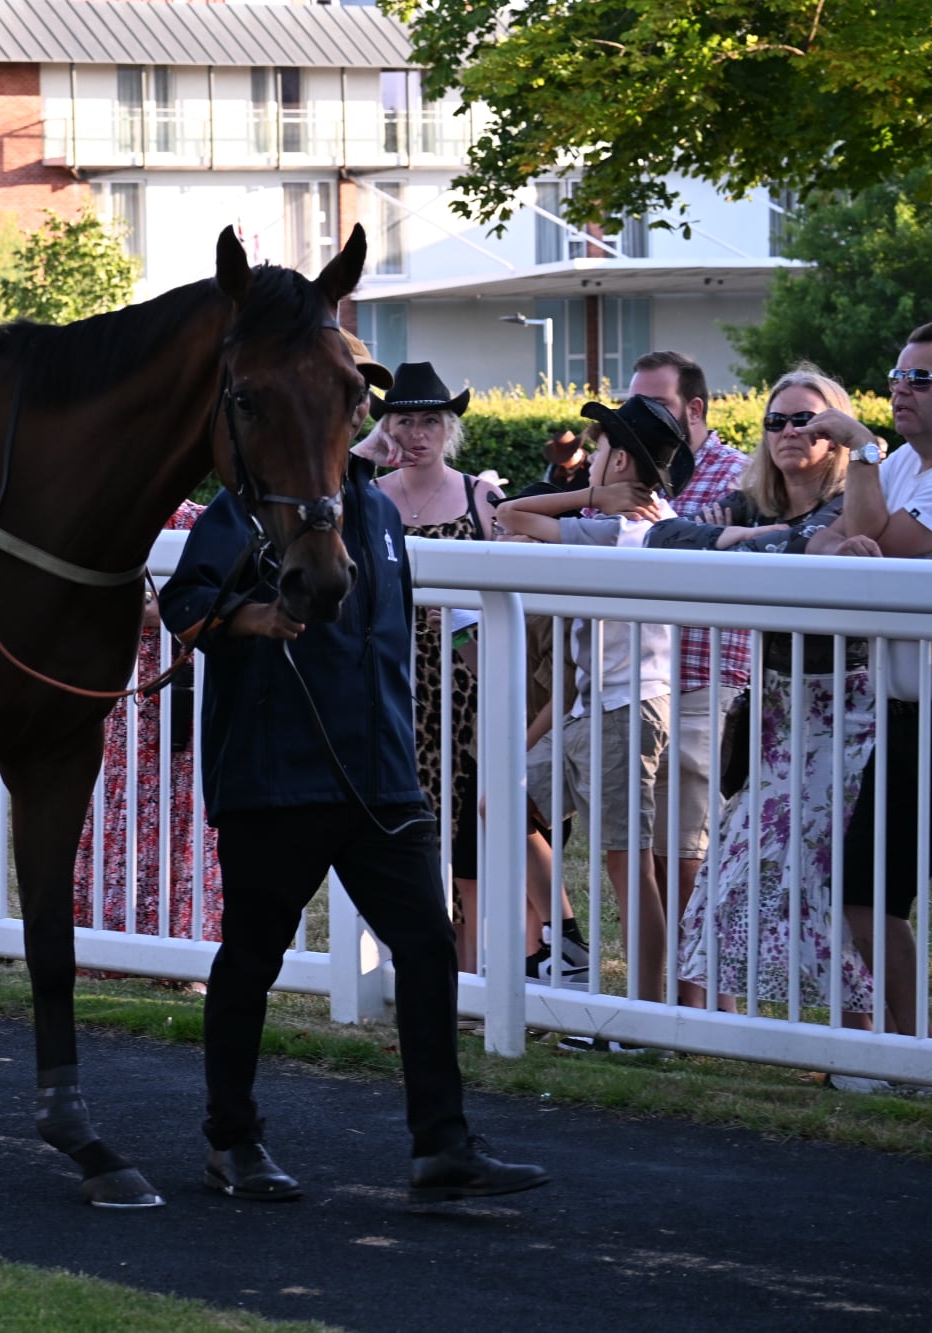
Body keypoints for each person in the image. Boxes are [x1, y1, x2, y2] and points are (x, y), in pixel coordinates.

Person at [159, 336, 546, 1204]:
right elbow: (180, 603)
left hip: (380, 779)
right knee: (252, 957)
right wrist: (253, 619)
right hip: (277, 776)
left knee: (428, 945)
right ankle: (232, 1140)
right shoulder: (252, 504)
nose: (357, 412)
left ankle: (441, 1147)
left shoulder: (378, 513)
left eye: (358, 399)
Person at [648, 368, 884, 1025]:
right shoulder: (751, 505)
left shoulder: (855, 494)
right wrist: (761, 542)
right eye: (775, 422)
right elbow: (666, 536)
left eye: (806, 420)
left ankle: (866, 1036)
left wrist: (865, 444)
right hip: (774, 713)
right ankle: (724, 1030)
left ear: (835, 431)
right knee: (731, 881)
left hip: (848, 711)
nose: (788, 432)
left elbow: (862, 534)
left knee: (823, 885)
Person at [496, 395, 696, 1003]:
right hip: (589, 709)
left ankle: (643, 1012)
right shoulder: (636, 516)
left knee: (627, 865)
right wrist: (591, 496)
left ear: (620, 463)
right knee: (501, 804)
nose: (592, 457)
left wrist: (587, 499)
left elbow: (511, 514)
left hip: (624, 710)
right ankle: (569, 938)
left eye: (602, 447)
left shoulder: (622, 524)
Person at [808, 323, 932, 1035]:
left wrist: (861, 446)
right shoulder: (902, 467)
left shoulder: (887, 460)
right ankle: (911, 1049)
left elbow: (887, 543)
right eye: (898, 374)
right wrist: (851, 526)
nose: (900, 389)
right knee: (865, 893)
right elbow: (839, 538)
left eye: (920, 379)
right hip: (904, 712)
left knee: (873, 892)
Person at [361, 361, 500, 972]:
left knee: (466, 835)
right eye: (403, 420)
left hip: (466, 687)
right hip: (386, 683)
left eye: (429, 422)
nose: (416, 434)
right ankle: (398, 963)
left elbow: (512, 600)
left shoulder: (482, 497)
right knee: (394, 827)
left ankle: (466, 973)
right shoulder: (366, 497)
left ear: (449, 429)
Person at [626, 351, 752, 916]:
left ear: (694, 408)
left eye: (655, 405)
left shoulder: (741, 476)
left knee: (687, 855)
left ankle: (706, 1000)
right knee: (647, 851)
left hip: (707, 683)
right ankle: (668, 993)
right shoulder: (632, 469)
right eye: (635, 404)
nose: (640, 416)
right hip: (641, 686)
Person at [72, 500, 221, 942]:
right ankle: (106, 939)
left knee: (190, 813)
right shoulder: (108, 509)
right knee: (120, 805)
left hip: (192, 690)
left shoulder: (205, 520)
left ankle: (187, 938)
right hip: (126, 694)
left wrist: (168, 609)